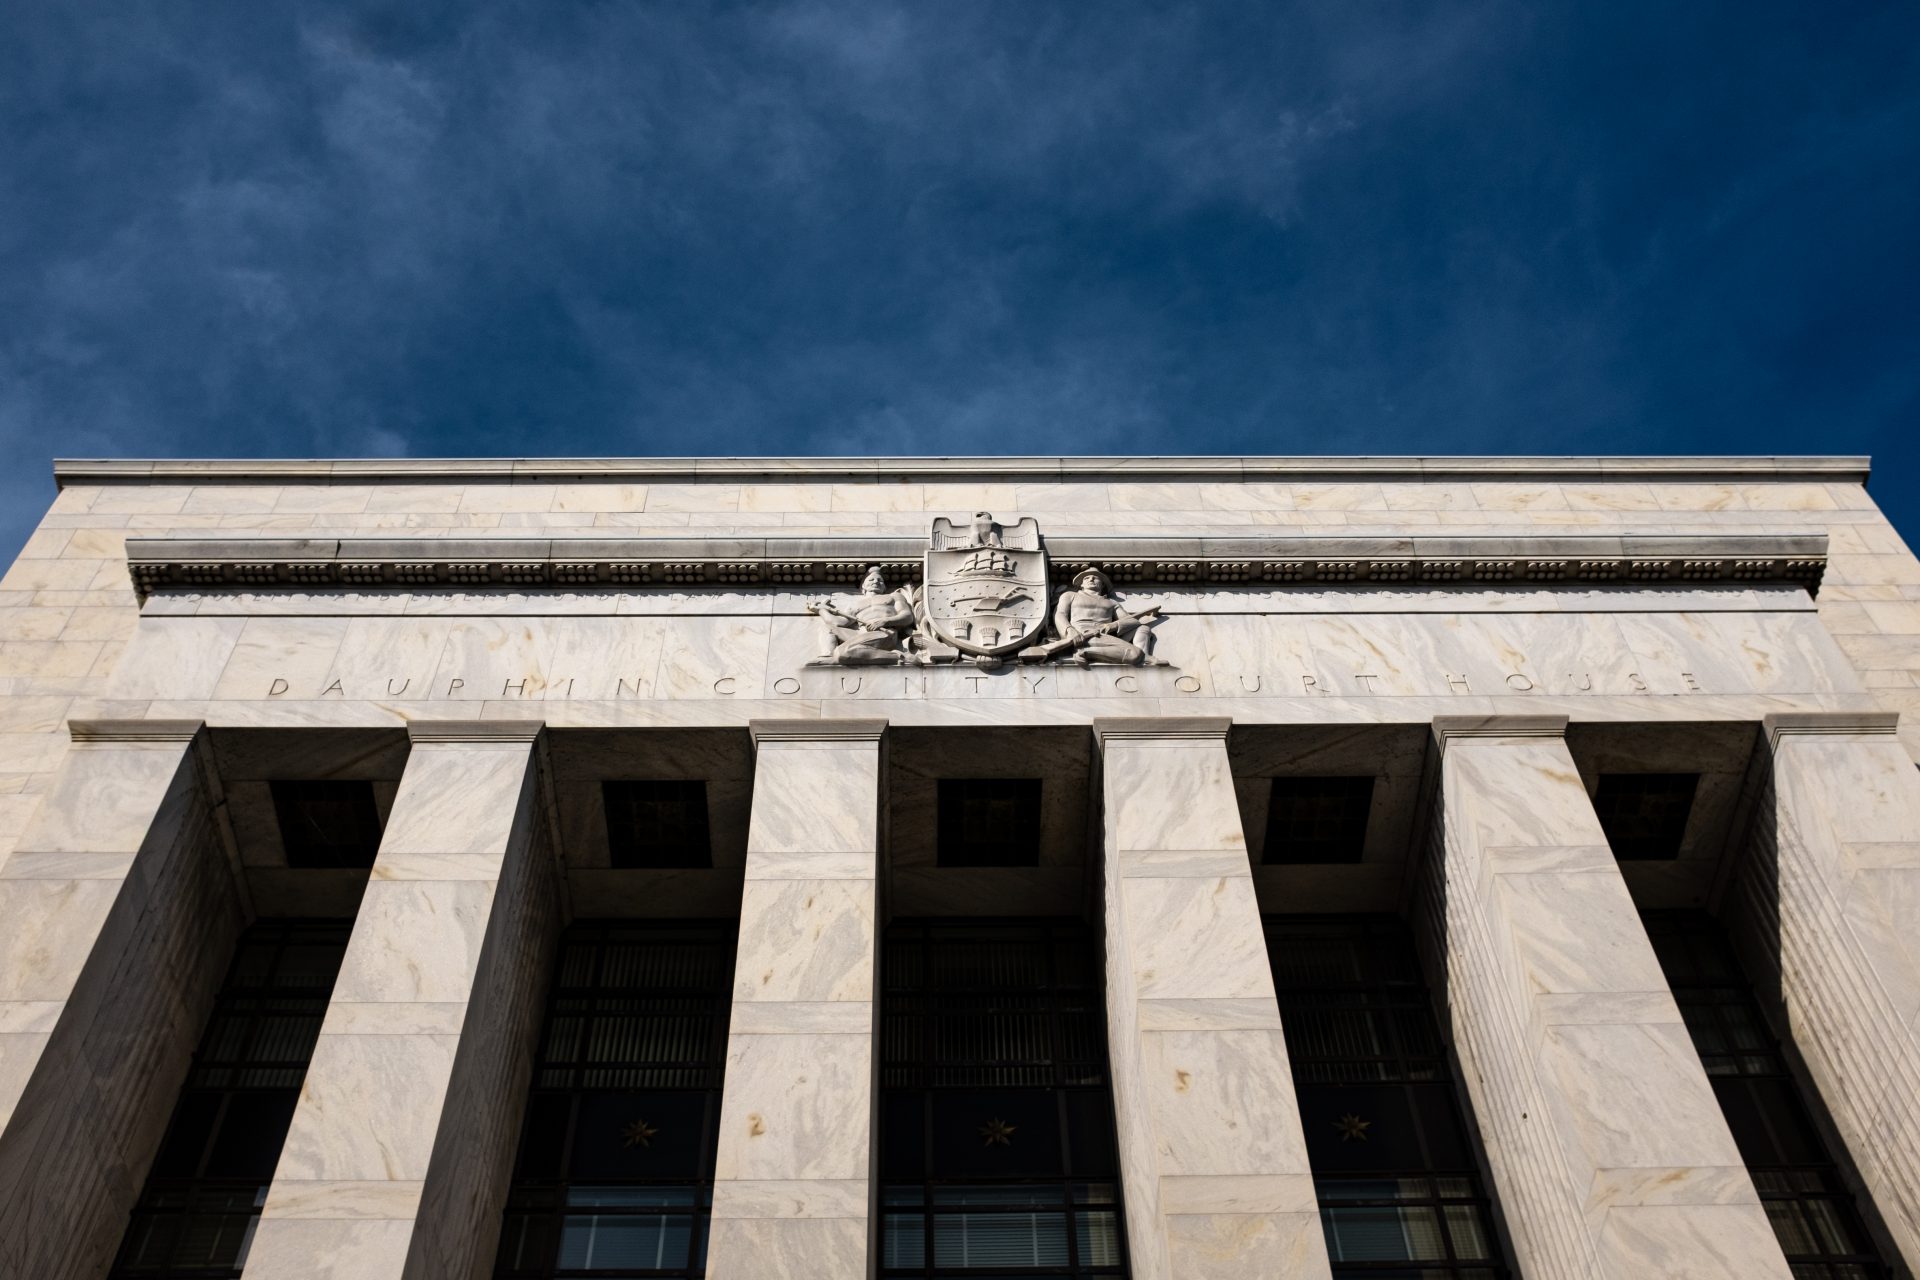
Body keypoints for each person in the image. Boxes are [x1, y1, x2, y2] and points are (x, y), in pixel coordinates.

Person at [1047, 566, 1161, 665]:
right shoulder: (1070, 595)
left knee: (1143, 628)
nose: (1091, 579)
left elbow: (1129, 621)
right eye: (1086, 578)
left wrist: (1112, 626)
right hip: (1081, 634)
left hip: (1102, 635)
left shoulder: (1111, 602)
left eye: (1095, 578)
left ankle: (1144, 656)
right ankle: (1084, 652)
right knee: (1134, 654)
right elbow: (1060, 614)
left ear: (1102, 584)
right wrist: (1069, 630)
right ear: (1081, 584)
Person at [807, 566, 917, 665]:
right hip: (861, 633)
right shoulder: (856, 605)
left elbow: (907, 616)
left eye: (880, 580)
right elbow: (838, 622)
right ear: (864, 586)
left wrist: (885, 621)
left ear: (884, 586)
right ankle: (828, 656)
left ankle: (899, 657)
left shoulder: (893, 596)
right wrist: (821, 610)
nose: (876, 581)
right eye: (871, 579)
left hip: (884, 632)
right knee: (828, 629)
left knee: (843, 652)